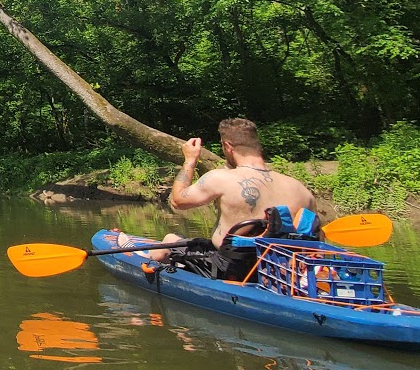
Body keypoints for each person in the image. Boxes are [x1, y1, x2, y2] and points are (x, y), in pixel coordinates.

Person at [116, 117, 317, 274]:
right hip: (280, 268)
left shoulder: (221, 178)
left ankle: (140, 256)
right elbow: (315, 240)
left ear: (227, 146)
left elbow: (177, 201)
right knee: (192, 242)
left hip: (231, 267)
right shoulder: (300, 189)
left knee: (170, 239)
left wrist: (190, 160)